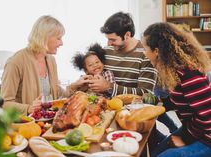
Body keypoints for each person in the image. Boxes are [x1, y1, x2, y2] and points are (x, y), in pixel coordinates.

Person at [142, 22, 211, 157]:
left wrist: (185, 139)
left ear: (156, 51)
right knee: (156, 152)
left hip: (207, 137)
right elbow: (177, 100)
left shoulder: (190, 74)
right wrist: (154, 103)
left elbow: (207, 118)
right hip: (196, 130)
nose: (145, 53)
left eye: (145, 48)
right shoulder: (175, 70)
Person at [0, 15, 87, 115]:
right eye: (58, 38)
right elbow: (5, 103)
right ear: (45, 37)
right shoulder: (15, 62)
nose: (61, 43)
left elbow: (55, 93)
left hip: (47, 119)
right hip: (26, 124)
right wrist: (28, 108)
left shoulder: (50, 59)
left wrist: (75, 85)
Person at [88, 12, 157, 96]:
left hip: (134, 108)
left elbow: (146, 93)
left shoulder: (146, 54)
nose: (109, 44)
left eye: (113, 40)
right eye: (108, 39)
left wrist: (109, 87)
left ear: (127, 35)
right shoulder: (106, 51)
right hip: (106, 107)